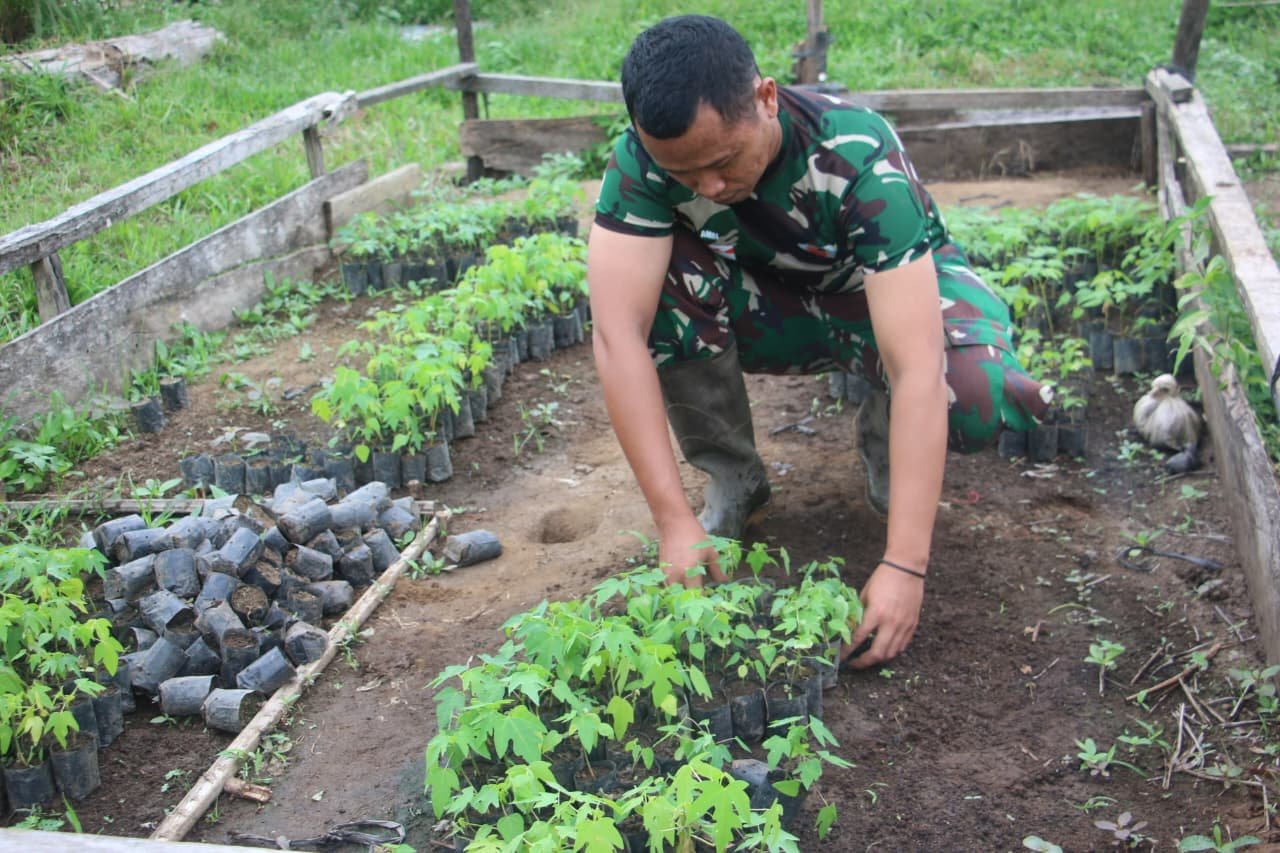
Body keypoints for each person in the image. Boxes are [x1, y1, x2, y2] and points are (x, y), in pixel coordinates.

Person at [586, 15, 1051, 669]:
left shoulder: (856, 151)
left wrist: (905, 565)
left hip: (884, 301)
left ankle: (890, 453)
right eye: (683, 174)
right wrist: (672, 520)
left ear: (766, 99)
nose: (709, 187)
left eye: (721, 163)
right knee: (649, 293)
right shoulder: (642, 160)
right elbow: (618, 337)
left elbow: (918, 364)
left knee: (970, 394)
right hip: (777, 304)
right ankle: (733, 479)